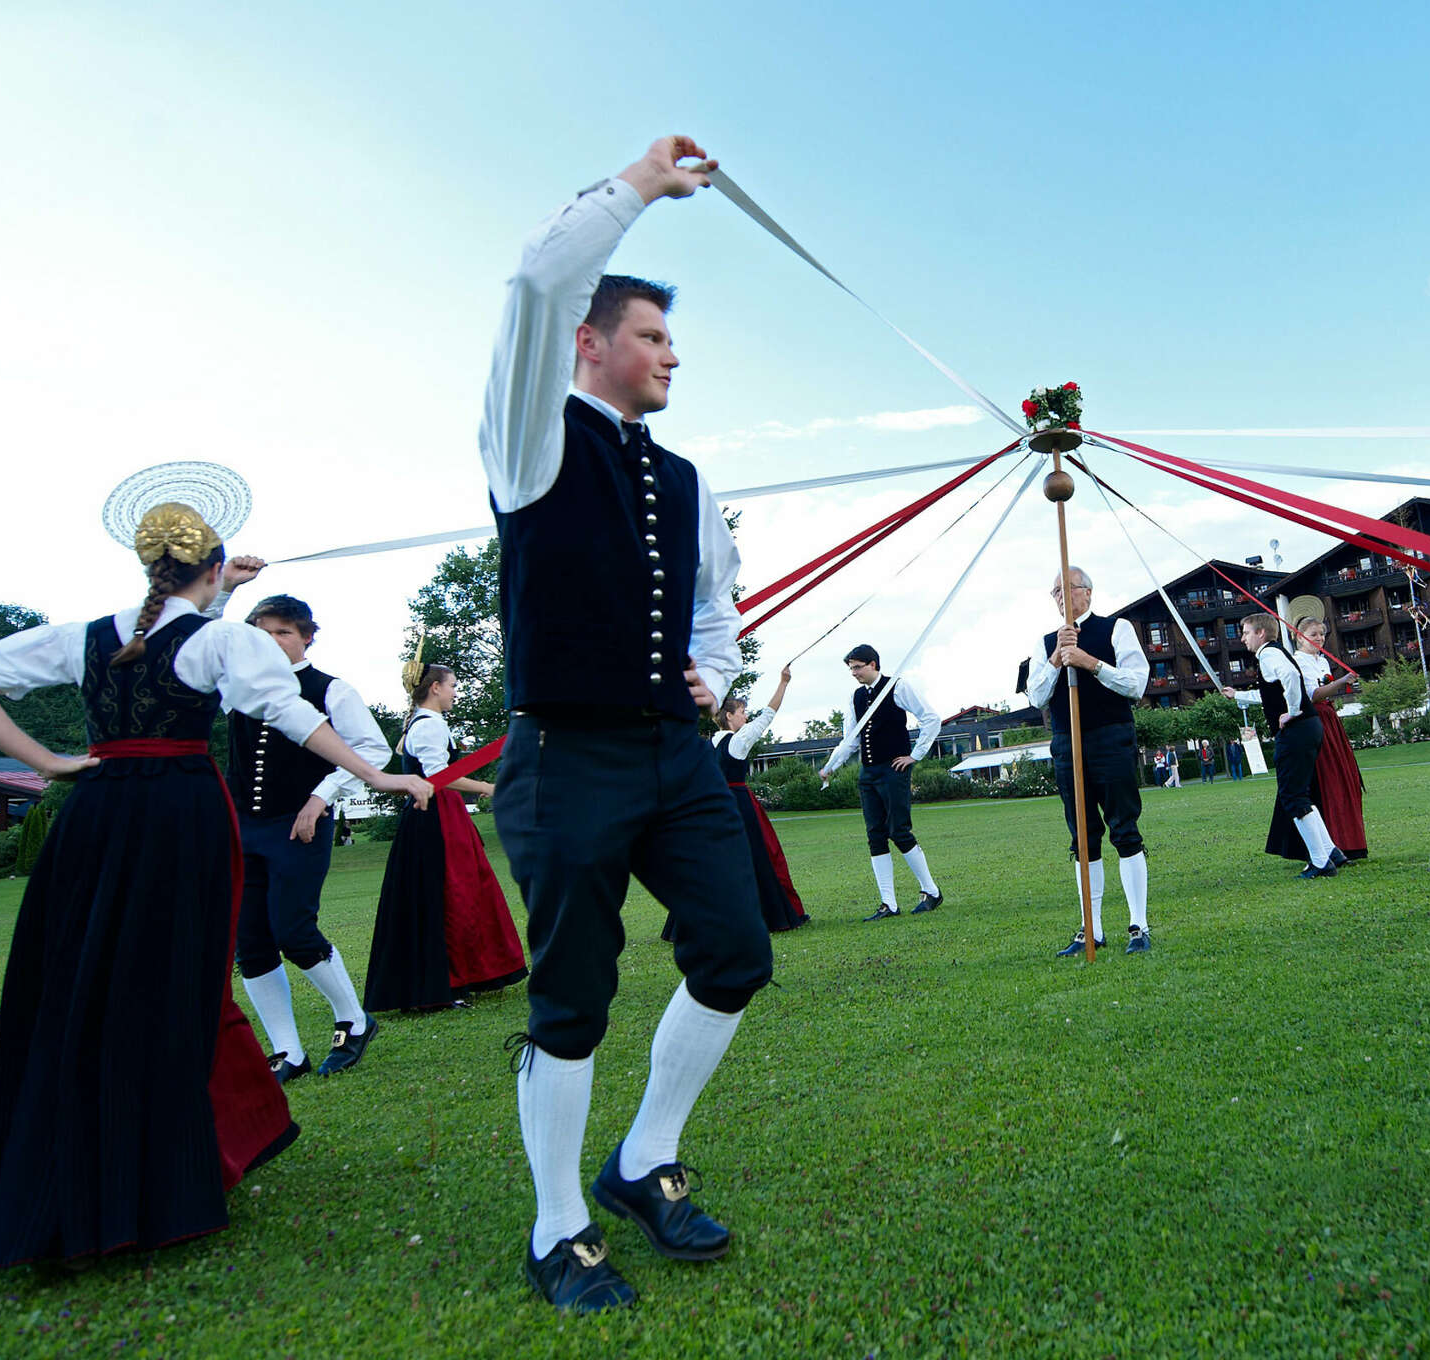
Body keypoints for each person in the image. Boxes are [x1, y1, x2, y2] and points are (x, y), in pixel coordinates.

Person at [0, 500, 432, 1269]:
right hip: (180, 817)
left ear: (147, 567)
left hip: (97, 817)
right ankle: (158, 1176)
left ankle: (74, 1167)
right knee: (171, 982)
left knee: (81, 981)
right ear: (211, 569)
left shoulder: (86, 636)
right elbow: (291, 715)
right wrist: (379, 774)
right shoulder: (224, 639)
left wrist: (51, 764)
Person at [477, 134, 774, 1311]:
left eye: (671, 338)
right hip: (562, 758)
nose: (672, 355)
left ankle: (642, 1156)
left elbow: (716, 606)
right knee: (573, 998)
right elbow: (534, 286)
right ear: (591, 345)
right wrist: (642, 188)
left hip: (670, 751)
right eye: (652, 336)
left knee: (736, 952)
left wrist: (713, 669)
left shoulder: (689, 478)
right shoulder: (529, 436)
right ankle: (559, 1227)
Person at [200, 586, 391, 1082]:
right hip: (243, 829)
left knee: (293, 930)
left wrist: (321, 795)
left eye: (283, 632)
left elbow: (375, 748)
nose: (272, 640)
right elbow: (199, 642)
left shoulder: (331, 689)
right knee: (251, 941)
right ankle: (289, 1051)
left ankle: (353, 1021)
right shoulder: (236, 689)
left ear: (307, 638)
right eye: (262, 633)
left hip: (300, 826)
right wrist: (223, 591)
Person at [365, 662, 529, 1012]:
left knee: (458, 893)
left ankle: (460, 977)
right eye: (452, 685)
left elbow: (411, 757)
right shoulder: (428, 726)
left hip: (439, 815)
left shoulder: (424, 724)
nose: (456, 691)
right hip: (436, 817)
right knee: (450, 895)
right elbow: (438, 776)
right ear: (435, 688)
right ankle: (446, 981)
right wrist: (487, 787)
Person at [1025, 566, 1153, 956]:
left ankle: (1139, 926)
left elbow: (1137, 683)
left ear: (1089, 592)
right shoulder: (1047, 642)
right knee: (1083, 837)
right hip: (1067, 744)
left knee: (1124, 829)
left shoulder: (1116, 629)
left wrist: (1089, 662)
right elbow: (1035, 697)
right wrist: (1056, 660)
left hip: (1110, 737)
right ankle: (1090, 928)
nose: (1061, 596)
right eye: (1055, 592)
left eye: (1068, 588)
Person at [819, 644, 945, 920]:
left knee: (898, 830)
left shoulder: (897, 687)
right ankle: (889, 903)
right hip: (869, 773)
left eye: (857, 667)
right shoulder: (856, 696)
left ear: (873, 664)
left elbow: (931, 719)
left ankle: (931, 891)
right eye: (851, 668)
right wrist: (830, 766)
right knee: (875, 835)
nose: (854, 673)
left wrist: (914, 755)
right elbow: (850, 738)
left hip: (893, 770)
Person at [1230, 614, 1341, 879]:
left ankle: (1321, 861)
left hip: (1297, 730)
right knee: (1300, 794)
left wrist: (1292, 712)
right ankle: (1330, 852)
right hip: (1309, 727)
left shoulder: (1269, 655)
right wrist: (1238, 695)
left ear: (1260, 633)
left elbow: (1291, 676)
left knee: (1293, 796)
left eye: (1245, 632)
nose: (1242, 638)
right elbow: (1273, 693)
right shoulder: (1274, 654)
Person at [711, 666, 809, 933]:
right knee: (763, 856)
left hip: (714, 805)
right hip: (739, 803)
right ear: (729, 716)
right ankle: (771, 915)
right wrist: (783, 683)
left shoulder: (708, 743)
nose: (745, 716)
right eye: (742, 712)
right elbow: (769, 714)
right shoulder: (738, 739)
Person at [1291, 616, 1369, 862]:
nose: (1319, 638)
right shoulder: (1297, 662)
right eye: (1314, 634)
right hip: (1315, 720)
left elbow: (1326, 693)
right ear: (1299, 635)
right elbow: (1312, 695)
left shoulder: (1322, 660)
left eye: (1322, 634)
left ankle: (1350, 841)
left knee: (1345, 778)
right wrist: (1341, 682)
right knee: (1327, 780)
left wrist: (1337, 686)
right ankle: (1329, 842)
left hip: (1330, 720)